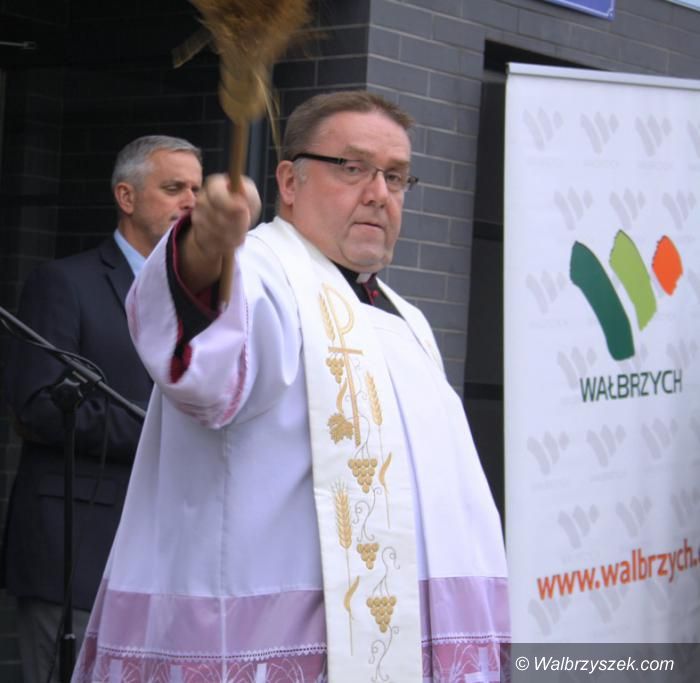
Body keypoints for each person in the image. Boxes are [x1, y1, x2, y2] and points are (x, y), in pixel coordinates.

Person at [74, 92, 509, 683]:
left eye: (395, 177)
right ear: (288, 181)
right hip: (274, 640)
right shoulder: (261, 271)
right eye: (352, 167)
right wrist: (205, 247)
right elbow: (206, 362)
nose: (378, 193)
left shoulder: (406, 317)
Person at [2, 135, 203, 683]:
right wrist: (166, 430)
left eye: (197, 189)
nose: (191, 201)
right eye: (174, 188)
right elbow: (40, 404)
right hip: (78, 549)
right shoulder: (63, 283)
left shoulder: (208, 298)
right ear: (126, 197)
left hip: (173, 557)